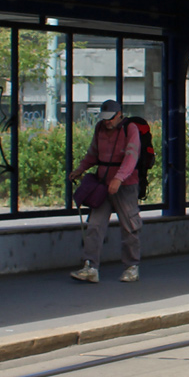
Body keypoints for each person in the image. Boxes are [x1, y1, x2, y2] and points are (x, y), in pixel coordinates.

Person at [68, 99, 142, 283]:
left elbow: (131, 156)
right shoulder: (100, 128)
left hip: (125, 185)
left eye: (110, 118)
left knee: (130, 226)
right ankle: (90, 266)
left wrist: (119, 177)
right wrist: (80, 169)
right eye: (104, 118)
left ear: (119, 115)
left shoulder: (130, 129)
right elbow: (93, 153)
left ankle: (132, 267)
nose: (107, 122)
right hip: (103, 185)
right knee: (94, 225)